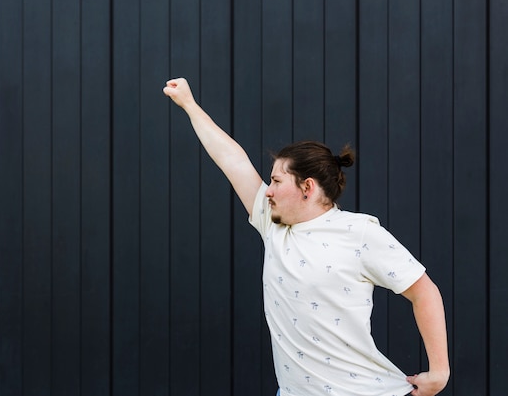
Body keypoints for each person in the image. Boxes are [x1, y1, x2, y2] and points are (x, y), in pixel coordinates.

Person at [163, 77, 450, 396]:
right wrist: (189, 104)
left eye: (276, 181)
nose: (267, 191)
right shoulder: (273, 226)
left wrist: (439, 372)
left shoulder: (359, 233)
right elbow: (233, 160)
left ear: (307, 188)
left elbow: (424, 291)